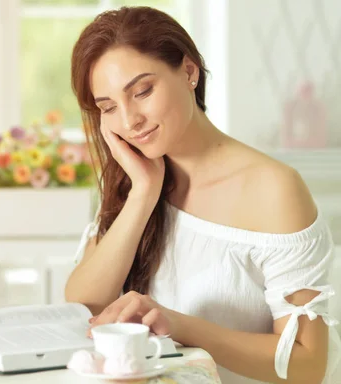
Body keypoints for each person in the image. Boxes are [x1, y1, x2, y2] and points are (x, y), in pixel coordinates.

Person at [65, 6, 340, 384]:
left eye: (142, 91)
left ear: (189, 72)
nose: (129, 121)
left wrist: (179, 326)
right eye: (109, 107)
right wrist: (144, 193)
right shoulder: (136, 180)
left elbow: (307, 364)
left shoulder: (274, 190)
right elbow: (85, 307)